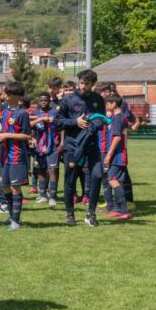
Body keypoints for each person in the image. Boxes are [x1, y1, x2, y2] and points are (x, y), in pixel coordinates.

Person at [57, 69, 107, 227]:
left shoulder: (98, 99)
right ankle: (69, 213)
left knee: (98, 175)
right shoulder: (68, 100)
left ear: (93, 84)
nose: (82, 86)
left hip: (92, 145)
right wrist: (75, 122)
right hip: (73, 146)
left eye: (86, 84)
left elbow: (101, 120)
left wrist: (93, 125)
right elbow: (58, 121)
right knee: (70, 180)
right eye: (81, 83)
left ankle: (91, 214)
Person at [0, 82, 34, 231]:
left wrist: (7, 135)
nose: (4, 96)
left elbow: (27, 135)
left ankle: (16, 222)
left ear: (15, 96)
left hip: (16, 155)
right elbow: (2, 128)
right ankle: (11, 216)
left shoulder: (22, 113)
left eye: (7, 94)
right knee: (5, 186)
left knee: (15, 187)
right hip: (3, 155)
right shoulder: (4, 111)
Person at [100, 95, 132, 220]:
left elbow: (117, 137)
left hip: (117, 155)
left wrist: (108, 154)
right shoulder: (119, 117)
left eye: (107, 103)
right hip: (119, 154)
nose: (106, 106)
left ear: (113, 104)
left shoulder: (117, 118)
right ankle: (118, 209)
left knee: (112, 180)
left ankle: (125, 210)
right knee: (118, 181)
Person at [30, 92, 60, 207]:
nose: (44, 102)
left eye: (46, 100)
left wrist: (61, 143)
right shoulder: (36, 112)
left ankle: (52, 196)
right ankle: (42, 194)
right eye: (42, 100)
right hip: (40, 146)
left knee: (53, 170)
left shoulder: (55, 112)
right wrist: (32, 138)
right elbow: (32, 126)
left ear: (49, 101)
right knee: (41, 170)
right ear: (39, 100)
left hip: (53, 145)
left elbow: (61, 127)